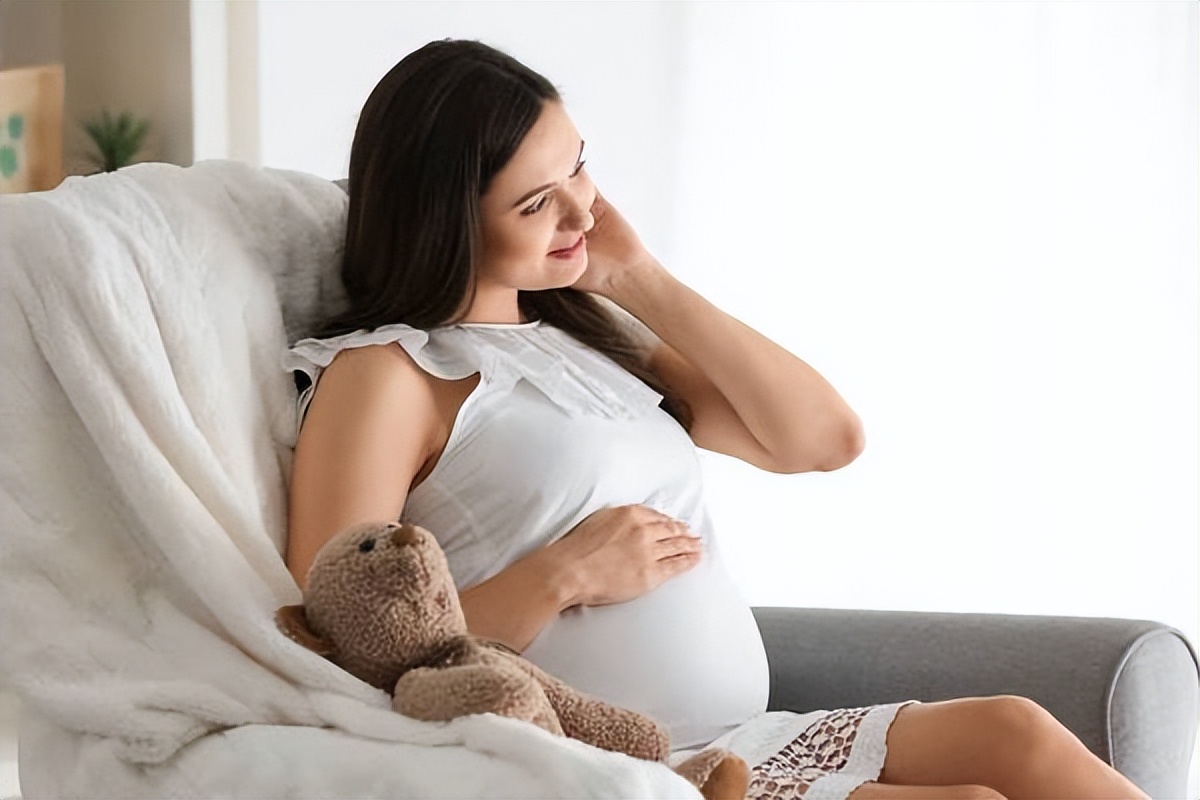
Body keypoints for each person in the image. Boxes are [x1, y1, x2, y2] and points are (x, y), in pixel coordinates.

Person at [284, 39, 1147, 800]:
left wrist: (634, 279)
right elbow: (341, 642)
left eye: (579, 166)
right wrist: (559, 578)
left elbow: (822, 439)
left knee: (1015, 732)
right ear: (446, 223)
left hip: (744, 742)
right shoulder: (389, 375)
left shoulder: (583, 337)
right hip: (615, 764)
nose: (584, 211)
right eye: (536, 203)